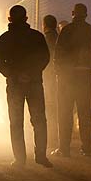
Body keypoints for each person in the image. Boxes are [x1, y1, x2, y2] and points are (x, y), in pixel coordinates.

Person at [0, 5, 53, 168]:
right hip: (34, 83)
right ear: (26, 19)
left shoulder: (4, 39)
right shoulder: (37, 36)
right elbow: (45, 58)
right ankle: (41, 156)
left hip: (14, 85)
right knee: (39, 120)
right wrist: (32, 73)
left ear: (9, 19)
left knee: (16, 122)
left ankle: (19, 159)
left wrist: (12, 74)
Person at [53, 3, 91, 157]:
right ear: (86, 14)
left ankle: (64, 148)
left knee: (65, 112)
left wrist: (59, 71)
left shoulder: (66, 30)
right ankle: (87, 147)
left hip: (68, 76)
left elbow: (58, 53)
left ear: (73, 13)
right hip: (84, 76)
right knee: (84, 111)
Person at [41, 15, 59, 149]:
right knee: (58, 109)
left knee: (49, 109)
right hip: (60, 77)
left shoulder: (44, 40)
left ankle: (51, 140)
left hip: (47, 78)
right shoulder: (60, 38)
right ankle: (56, 139)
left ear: (45, 25)